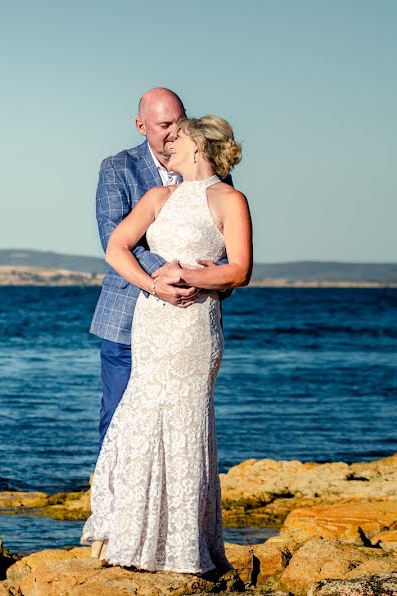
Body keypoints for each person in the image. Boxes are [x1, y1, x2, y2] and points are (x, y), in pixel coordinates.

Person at [80, 115, 252, 573]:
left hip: (194, 328)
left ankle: (180, 546)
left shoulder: (230, 198)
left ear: (199, 148)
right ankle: (127, 537)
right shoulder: (158, 197)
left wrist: (188, 275)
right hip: (152, 323)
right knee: (137, 419)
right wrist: (154, 286)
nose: (170, 140)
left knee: (185, 424)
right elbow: (116, 247)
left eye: (180, 134)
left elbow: (239, 270)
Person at [88, 88, 206, 456]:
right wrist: (168, 274)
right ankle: (112, 504)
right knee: (120, 415)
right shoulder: (117, 168)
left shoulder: (208, 169)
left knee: (180, 421)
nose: (174, 132)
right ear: (141, 126)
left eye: (180, 121)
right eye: (164, 125)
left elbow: (223, 237)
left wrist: (209, 274)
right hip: (126, 314)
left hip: (189, 320)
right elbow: (114, 238)